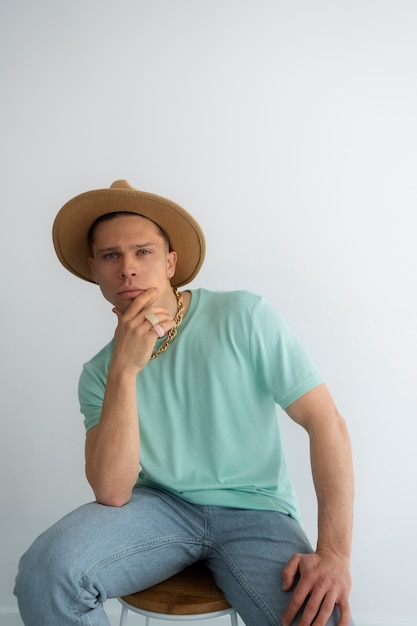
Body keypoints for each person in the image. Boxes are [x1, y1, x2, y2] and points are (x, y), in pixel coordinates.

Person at [14, 180, 355, 626]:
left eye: (143, 252)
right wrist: (124, 369)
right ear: (94, 269)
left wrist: (333, 553)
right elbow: (113, 492)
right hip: (158, 509)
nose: (128, 269)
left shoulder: (243, 316)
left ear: (171, 262)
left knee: (319, 618)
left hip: (257, 511)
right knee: (45, 574)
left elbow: (325, 421)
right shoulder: (99, 374)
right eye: (111, 256)